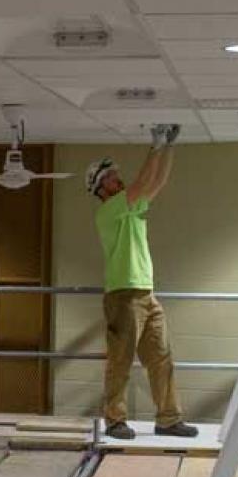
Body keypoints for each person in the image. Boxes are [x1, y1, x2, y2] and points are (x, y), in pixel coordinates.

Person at [84, 123, 198, 440]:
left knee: (161, 357)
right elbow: (140, 183)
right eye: (110, 178)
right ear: (100, 188)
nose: (117, 180)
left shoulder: (130, 211)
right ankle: (114, 419)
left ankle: (168, 418)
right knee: (121, 360)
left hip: (147, 294)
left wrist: (169, 148)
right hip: (123, 295)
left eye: (116, 175)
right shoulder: (108, 212)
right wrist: (155, 147)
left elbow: (156, 183)